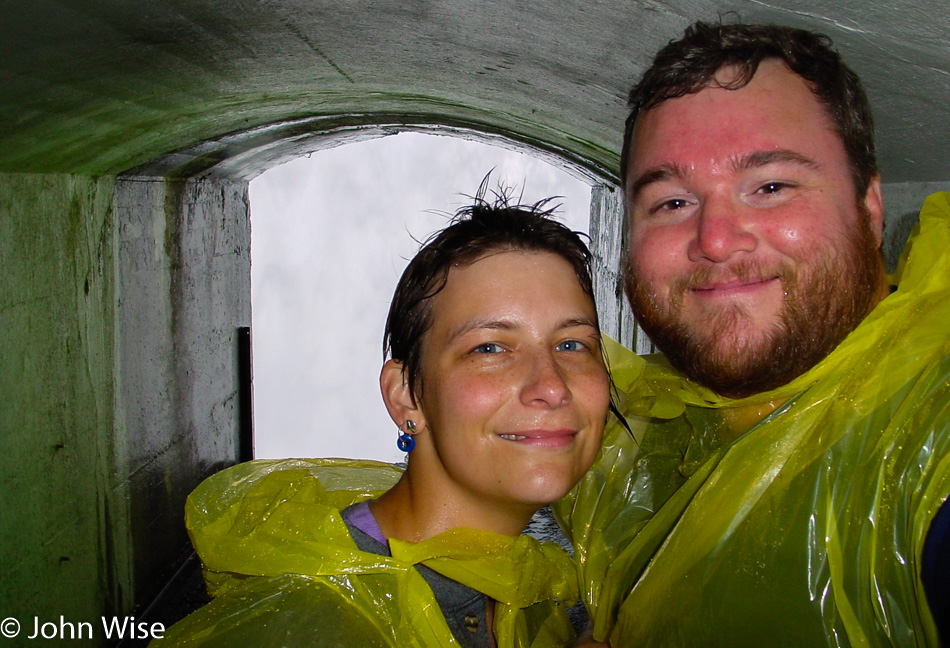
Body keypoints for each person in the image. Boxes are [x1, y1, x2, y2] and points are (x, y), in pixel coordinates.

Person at [555, 21, 950, 647]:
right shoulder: (636, 434)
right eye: (672, 203)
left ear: (869, 209)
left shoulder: (931, 427)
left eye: (770, 187)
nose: (714, 240)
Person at [154, 191, 613, 647]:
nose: (552, 386)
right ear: (407, 396)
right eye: (489, 347)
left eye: (572, 344)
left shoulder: (545, 584)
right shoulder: (307, 626)